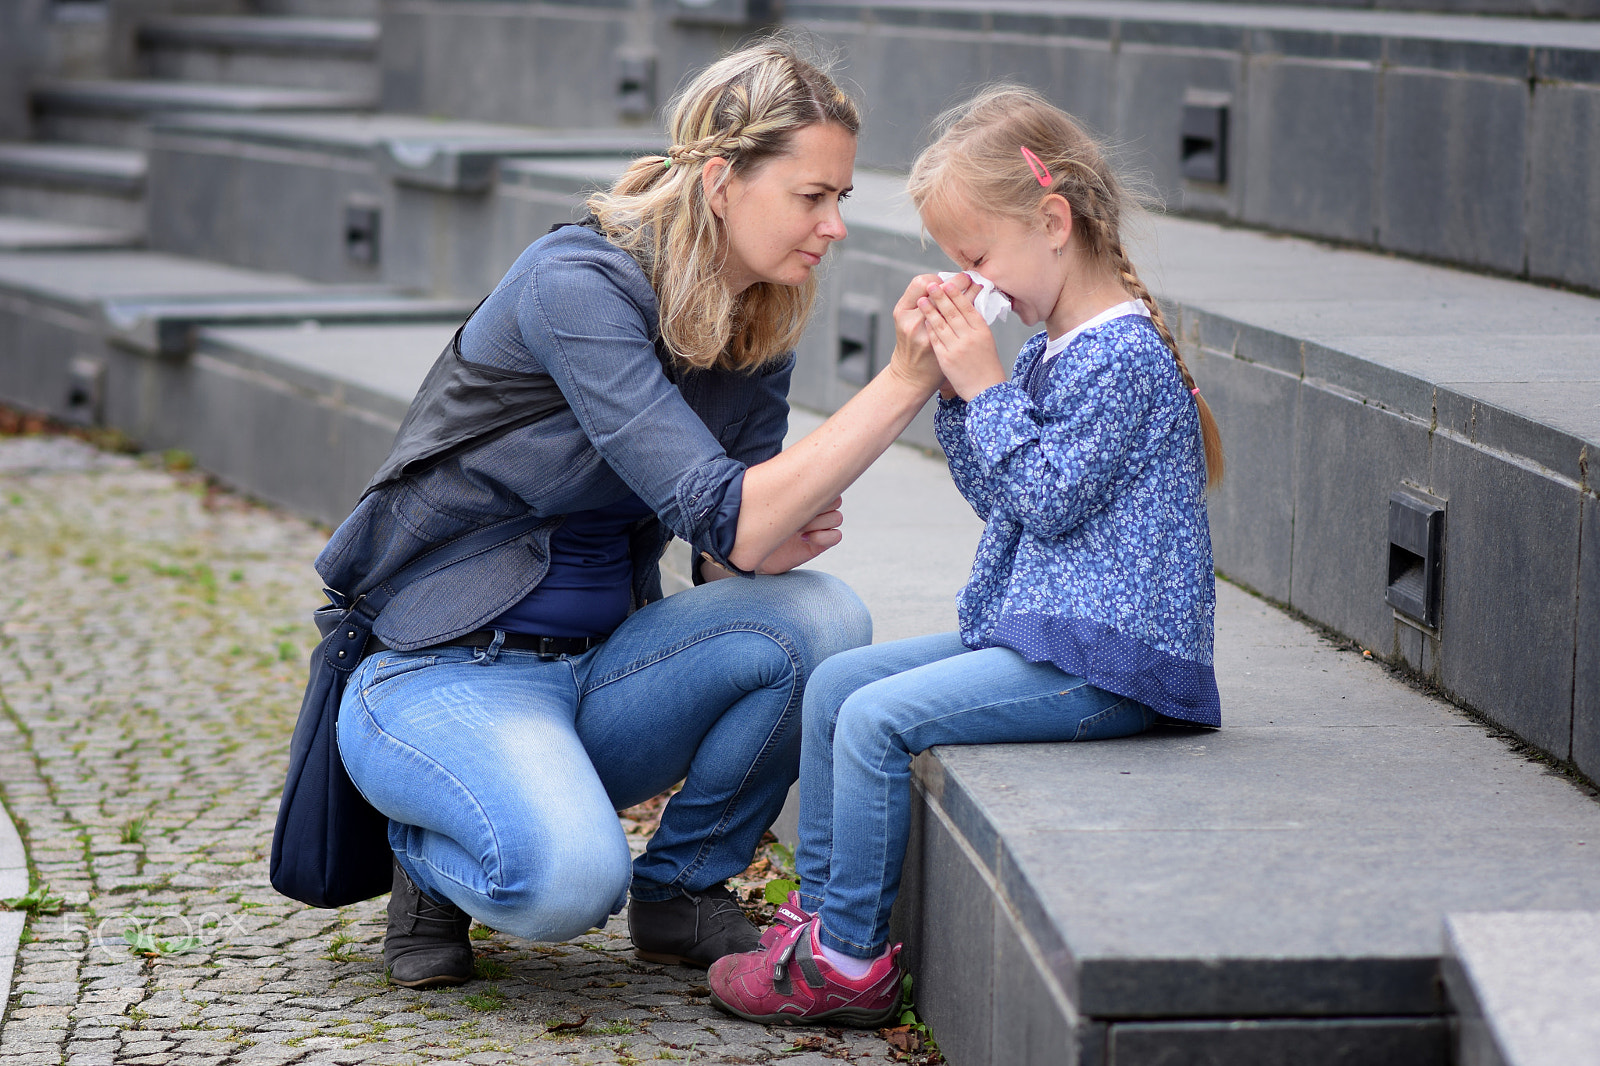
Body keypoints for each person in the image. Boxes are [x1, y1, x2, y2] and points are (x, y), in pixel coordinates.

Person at [319, 43, 947, 989]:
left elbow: (718, 555)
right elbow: (716, 507)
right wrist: (905, 382)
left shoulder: (755, 315)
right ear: (720, 180)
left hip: (599, 674)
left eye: (841, 200)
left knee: (820, 616)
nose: (833, 227)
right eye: (811, 196)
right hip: (440, 670)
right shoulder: (575, 282)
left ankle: (683, 888)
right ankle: (426, 855)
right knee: (569, 887)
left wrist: (770, 549)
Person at [707, 86, 1226, 1027]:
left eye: (977, 258)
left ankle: (848, 963)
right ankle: (815, 919)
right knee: (836, 687)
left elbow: (1051, 499)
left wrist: (986, 380)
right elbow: (999, 499)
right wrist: (957, 387)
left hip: (1114, 661)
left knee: (873, 723)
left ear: (1053, 221)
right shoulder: (1048, 352)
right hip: (1048, 636)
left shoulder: (1124, 357)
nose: (975, 283)